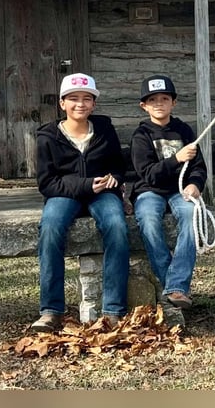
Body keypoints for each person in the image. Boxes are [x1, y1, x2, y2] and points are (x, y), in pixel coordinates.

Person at [32, 73, 129, 332]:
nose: (80, 104)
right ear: (62, 103)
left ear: (94, 104)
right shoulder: (47, 136)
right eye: (73, 98)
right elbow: (47, 183)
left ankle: (114, 310)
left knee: (117, 226)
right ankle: (51, 310)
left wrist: (115, 178)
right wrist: (85, 185)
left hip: (103, 194)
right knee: (50, 227)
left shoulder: (105, 129)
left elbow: (120, 166)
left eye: (87, 99)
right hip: (64, 193)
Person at [130, 74, 207, 313]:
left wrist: (195, 184)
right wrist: (176, 159)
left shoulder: (183, 130)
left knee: (191, 215)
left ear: (173, 102)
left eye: (164, 98)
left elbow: (198, 167)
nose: (159, 103)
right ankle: (174, 286)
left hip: (179, 190)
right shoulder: (141, 136)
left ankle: (176, 286)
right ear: (144, 106)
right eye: (152, 100)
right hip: (150, 191)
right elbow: (148, 174)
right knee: (149, 220)